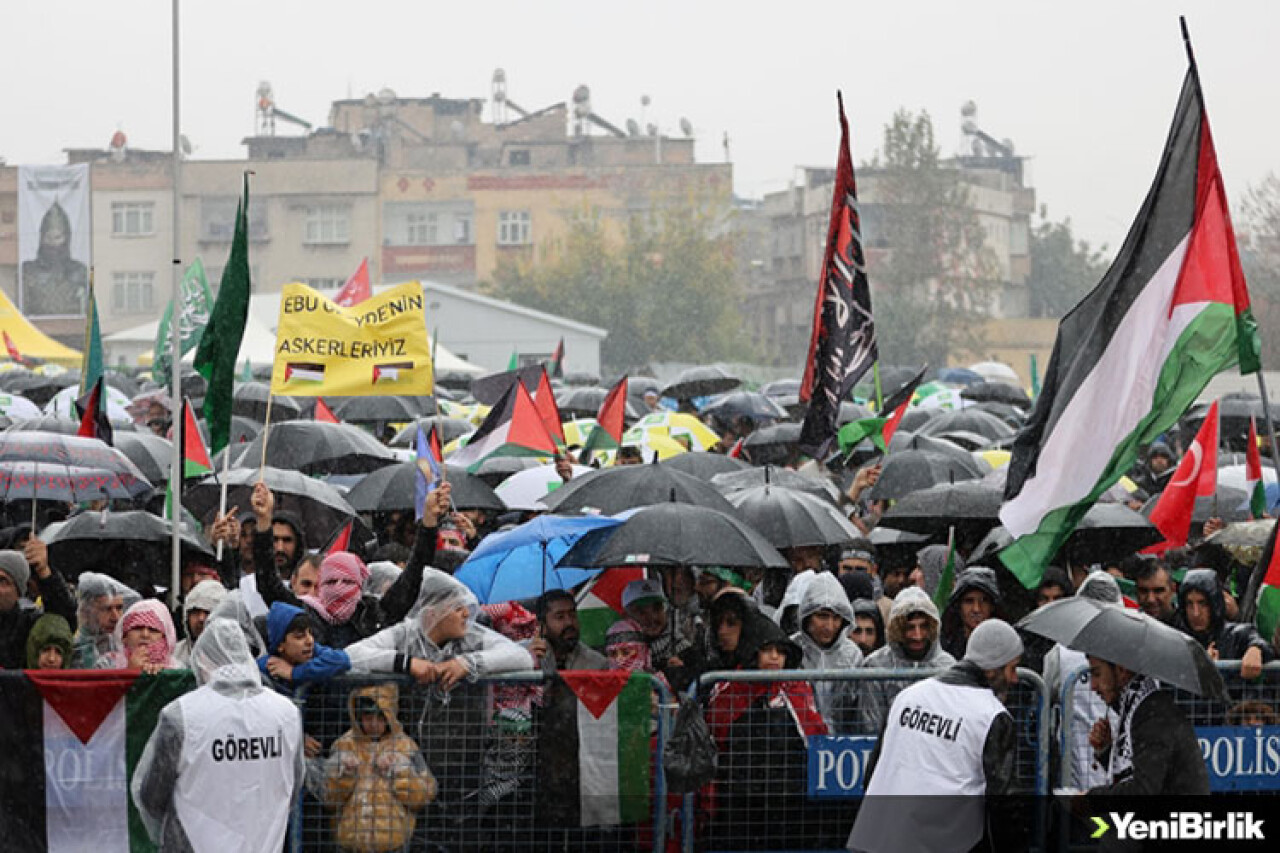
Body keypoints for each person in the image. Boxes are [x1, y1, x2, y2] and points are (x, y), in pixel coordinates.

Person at [849, 619, 1023, 853]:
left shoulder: (908, 697)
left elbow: (873, 772)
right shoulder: (991, 715)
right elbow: (1003, 805)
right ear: (991, 668)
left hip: (879, 837)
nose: (1015, 679)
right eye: (1012, 668)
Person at [132, 619, 305, 853]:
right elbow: (291, 788)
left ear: (202, 660)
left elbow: (152, 796)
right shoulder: (286, 714)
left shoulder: (182, 714)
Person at [322, 684, 436, 853]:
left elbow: (424, 796)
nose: (373, 724)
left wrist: (400, 772)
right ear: (358, 717)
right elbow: (329, 799)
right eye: (367, 717)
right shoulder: (344, 745)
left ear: (390, 717)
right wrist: (345, 774)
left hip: (392, 844)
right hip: (351, 844)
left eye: (380, 718)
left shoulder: (406, 747)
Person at [1084, 651, 1209, 797]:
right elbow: (1133, 774)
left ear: (1121, 670)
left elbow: (1143, 790)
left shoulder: (1152, 714)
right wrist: (1107, 751)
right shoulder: (1138, 707)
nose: (1093, 686)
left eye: (1097, 674)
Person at [1043, 572, 1122, 791]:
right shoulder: (1060, 654)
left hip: (1092, 775)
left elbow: (1045, 698)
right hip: (1085, 772)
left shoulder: (1060, 653)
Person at [859, 587, 956, 731]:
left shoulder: (948, 666)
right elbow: (872, 727)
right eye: (910, 628)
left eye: (923, 626)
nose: (918, 635)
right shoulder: (875, 665)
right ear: (897, 630)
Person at [791, 571, 863, 732]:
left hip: (843, 744)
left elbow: (857, 711)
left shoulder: (852, 655)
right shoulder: (792, 649)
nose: (829, 626)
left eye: (836, 618)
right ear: (807, 616)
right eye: (822, 616)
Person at [1172, 568, 1270, 679]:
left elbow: (1259, 642)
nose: (1196, 613)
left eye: (1202, 603)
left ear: (1214, 604)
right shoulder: (1177, 639)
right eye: (1189, 604)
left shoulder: (1235, 635)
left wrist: (1255, 649)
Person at [0, 548, 75, 670]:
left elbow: (63, 620)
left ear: (19, 591)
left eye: (3, 581)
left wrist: (45, 572)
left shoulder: (27, 624)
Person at [257, 602, 352, 694]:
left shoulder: (315, 651)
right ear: (280, 645)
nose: (310, 641)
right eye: (299, 636)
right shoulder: (265, 668)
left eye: (310, 633)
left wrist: (294, 673)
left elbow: (342, 660)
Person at [21, 201, 89, 317]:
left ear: (66, 238)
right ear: (42, 238)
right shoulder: (28, 272)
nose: (53, 243)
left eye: (58, 237)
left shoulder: (79, 272)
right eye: (49, 237)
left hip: (74, 333)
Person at [530, 589, 607, 672]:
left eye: (572, 615)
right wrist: (531, 662)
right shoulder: (525, 654)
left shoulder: (596, 663)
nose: (569, 622)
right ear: (542, 626)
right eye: (560, 617)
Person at [71, 572, 137, 668]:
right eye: (106, 609)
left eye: (119, 608)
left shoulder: (123, 642)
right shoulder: (77, 649)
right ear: (86, 612)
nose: (116, 617)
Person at [101, 599, 182, 672]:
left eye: (153, 630)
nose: (145, 635)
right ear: (124, 636)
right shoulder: (107, 664)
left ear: (165, 638)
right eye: (137, 628)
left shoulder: (178, 670)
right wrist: (129, 672)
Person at [939, 566, 1002, 659]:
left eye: (984, 601)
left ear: (992, 606)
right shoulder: (943, 647)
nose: (977, 609)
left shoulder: (1005, 645)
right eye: (969, 601)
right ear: (958, 606)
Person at [173, 579, 227, 666]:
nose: (201, 619)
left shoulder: (233, 654)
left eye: (208, 612)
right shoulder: (174, 654)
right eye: (195, 612)